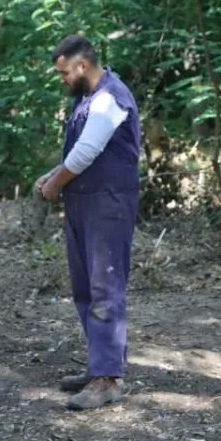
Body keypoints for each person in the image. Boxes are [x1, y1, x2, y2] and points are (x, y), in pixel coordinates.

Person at [35, 35, 140, 410]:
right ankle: (100, 364)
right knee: (85, 288)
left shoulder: (110, 97)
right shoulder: (88, 99)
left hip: (107, 204)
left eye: (64, 73)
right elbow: (81, 152)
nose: (62, 79)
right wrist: (52, 175)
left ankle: (108, 378)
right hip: (84, 203)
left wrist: (55, 184)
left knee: (105, 286)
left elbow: (88, 151)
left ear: (82, 66)